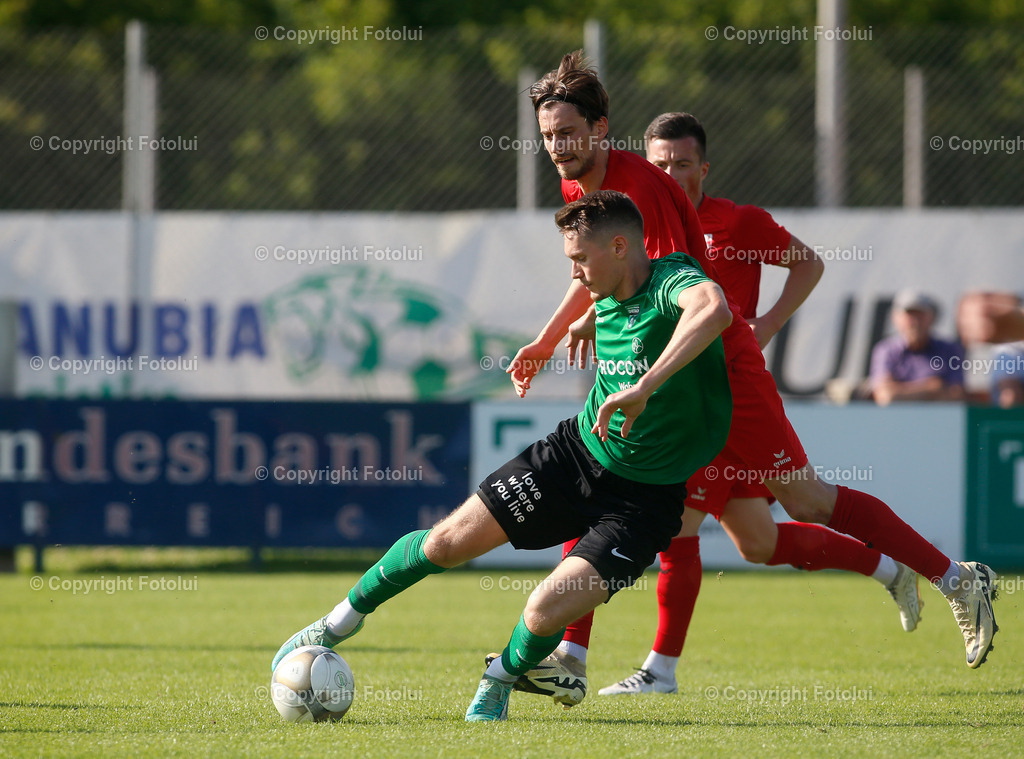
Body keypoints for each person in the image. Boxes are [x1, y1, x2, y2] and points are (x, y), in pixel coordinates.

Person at [505, 51, 998, 708]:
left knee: (808, 502)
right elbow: (596, 271)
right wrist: (547, 336)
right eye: (548, 136)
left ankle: (955, 577)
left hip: (716, 368)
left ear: (600, 128)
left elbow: (669, 292)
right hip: (670, 372)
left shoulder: (643, 194)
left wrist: (637, 334)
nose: (557, 146)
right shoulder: (584, 185)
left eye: (568, 132)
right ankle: (582, 652)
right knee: (630, 489)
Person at [271, 190, 736, 722]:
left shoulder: (672, 279)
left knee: (542, 611)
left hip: (645, 502)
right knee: (445, 544)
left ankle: (499, 680)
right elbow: (594, 304)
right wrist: (552, 337)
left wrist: (646, 386)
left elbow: (712, 309)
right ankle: (335, 624)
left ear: (620, 246)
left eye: (581, 260)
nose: (577, 274)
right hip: (573, 457)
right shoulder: (604, 287)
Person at [870, 289, 965, 405]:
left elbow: (956, 395)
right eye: (909, 315)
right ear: (895, 318)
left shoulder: (950, 350)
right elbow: (886, 396)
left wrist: (901, 391)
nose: (915, 322)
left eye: (920, 315)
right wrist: (932, 388)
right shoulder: (885, 350)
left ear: (932, 318)